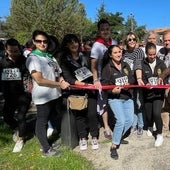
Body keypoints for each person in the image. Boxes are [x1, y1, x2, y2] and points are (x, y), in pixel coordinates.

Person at [26, 30, 70, 157]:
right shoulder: (33, 58)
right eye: (39, 41)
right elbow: (39, 79)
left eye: (45, 41)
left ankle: (47, 144)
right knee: (42, 121)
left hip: (54, 94)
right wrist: (59, 84)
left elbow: (58, 73)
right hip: (43, 96)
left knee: (52, 118)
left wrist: (61, 80)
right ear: (34, 42)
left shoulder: (50, 57)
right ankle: (46, 149)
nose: (42, 43)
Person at [60, 34, 99, 151]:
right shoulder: (64, 60)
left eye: (75, 42)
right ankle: (82, 137)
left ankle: (94, 136)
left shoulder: (86, 56)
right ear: (66, 45)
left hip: (91, 90)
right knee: (80, 116)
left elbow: (93, 70)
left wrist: (93, 83)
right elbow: (68, 78)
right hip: (77, 92)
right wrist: (84, 85)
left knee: (92, 114)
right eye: (71, 42)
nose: (74, 44)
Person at [101, 45, 134, 159]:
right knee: (121, 121)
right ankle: (114, 146)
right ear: (110, 55)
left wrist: (129, 83)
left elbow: (132, 78)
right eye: (115, 53)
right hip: (115, 99)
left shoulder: (126, 65)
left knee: (130, 121)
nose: (118, 54)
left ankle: (118, 137)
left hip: (127, 97)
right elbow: (104, 85)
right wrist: (112, 90)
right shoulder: (107, 68)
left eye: (119, 52)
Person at [0, 38, 32, 152]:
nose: (14, 54)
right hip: (9, 95)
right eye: (11, 51)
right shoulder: (2, 62)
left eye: (16, 51)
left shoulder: (25, 61)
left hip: (23, 94)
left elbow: (29, 77)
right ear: (6, 50)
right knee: (7, 116)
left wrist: (29, 92)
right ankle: (17, 129)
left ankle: (20, 139)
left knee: (21, 116)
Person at [90, 18, 117, 139]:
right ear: (99, 31)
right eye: (102, 30)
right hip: (102, 79)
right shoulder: (97, 45)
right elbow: (93, 64)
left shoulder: (114, 42)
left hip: (114, 77)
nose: (105, 32)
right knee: (104, 103)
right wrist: (96, 80)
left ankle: (115, 122)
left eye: (107, 29)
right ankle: (106, 127)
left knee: (115, 99)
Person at [142, 42, 166, 147]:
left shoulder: (161, 63)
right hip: (147, 94)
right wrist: (145, 83)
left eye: (154, 54)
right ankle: (151, 126)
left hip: (158, 94)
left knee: (156, 113)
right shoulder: (142, 64)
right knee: (149, 114)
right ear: (146, 54)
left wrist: (162, 81)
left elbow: (165, 75)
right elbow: (141, 77)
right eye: (150, 54)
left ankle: (160, 135)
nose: (152, 57)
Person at [122, 32, 145, 136]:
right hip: (127, 82)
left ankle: (140, 125)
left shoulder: (139, 51)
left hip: (138, 82)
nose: (132, 41)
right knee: (131, 104)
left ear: (137, 40)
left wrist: (139, 78)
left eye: (134, 39)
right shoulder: (124, 53)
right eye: (129, 39)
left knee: (139, 103)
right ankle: (133, 124)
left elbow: (138, 65)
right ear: (126, 41)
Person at [157, 30, 170, 137]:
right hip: (162, 85)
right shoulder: (160, 51)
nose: (167, 42)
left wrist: (161, 76)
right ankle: (165, 128)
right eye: (165, 40)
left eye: (169, 40)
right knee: (164, 108)